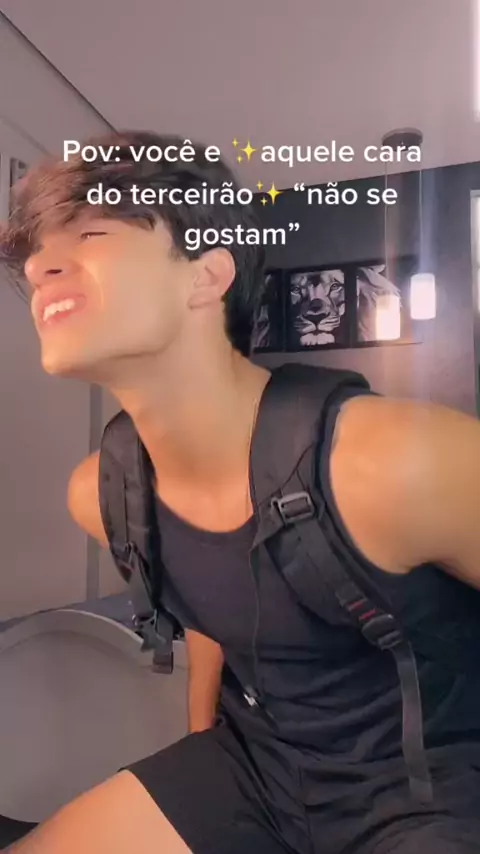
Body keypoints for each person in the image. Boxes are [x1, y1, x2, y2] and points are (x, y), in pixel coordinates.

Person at [1, 131, 480, 854]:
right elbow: (219, 603)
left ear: (206, 276)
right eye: (37, 253)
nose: (40, 266)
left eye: (91, 233)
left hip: (428, 790)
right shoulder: (101, 497)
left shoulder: (392, 463)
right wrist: (203, 746)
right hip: (257, 769)